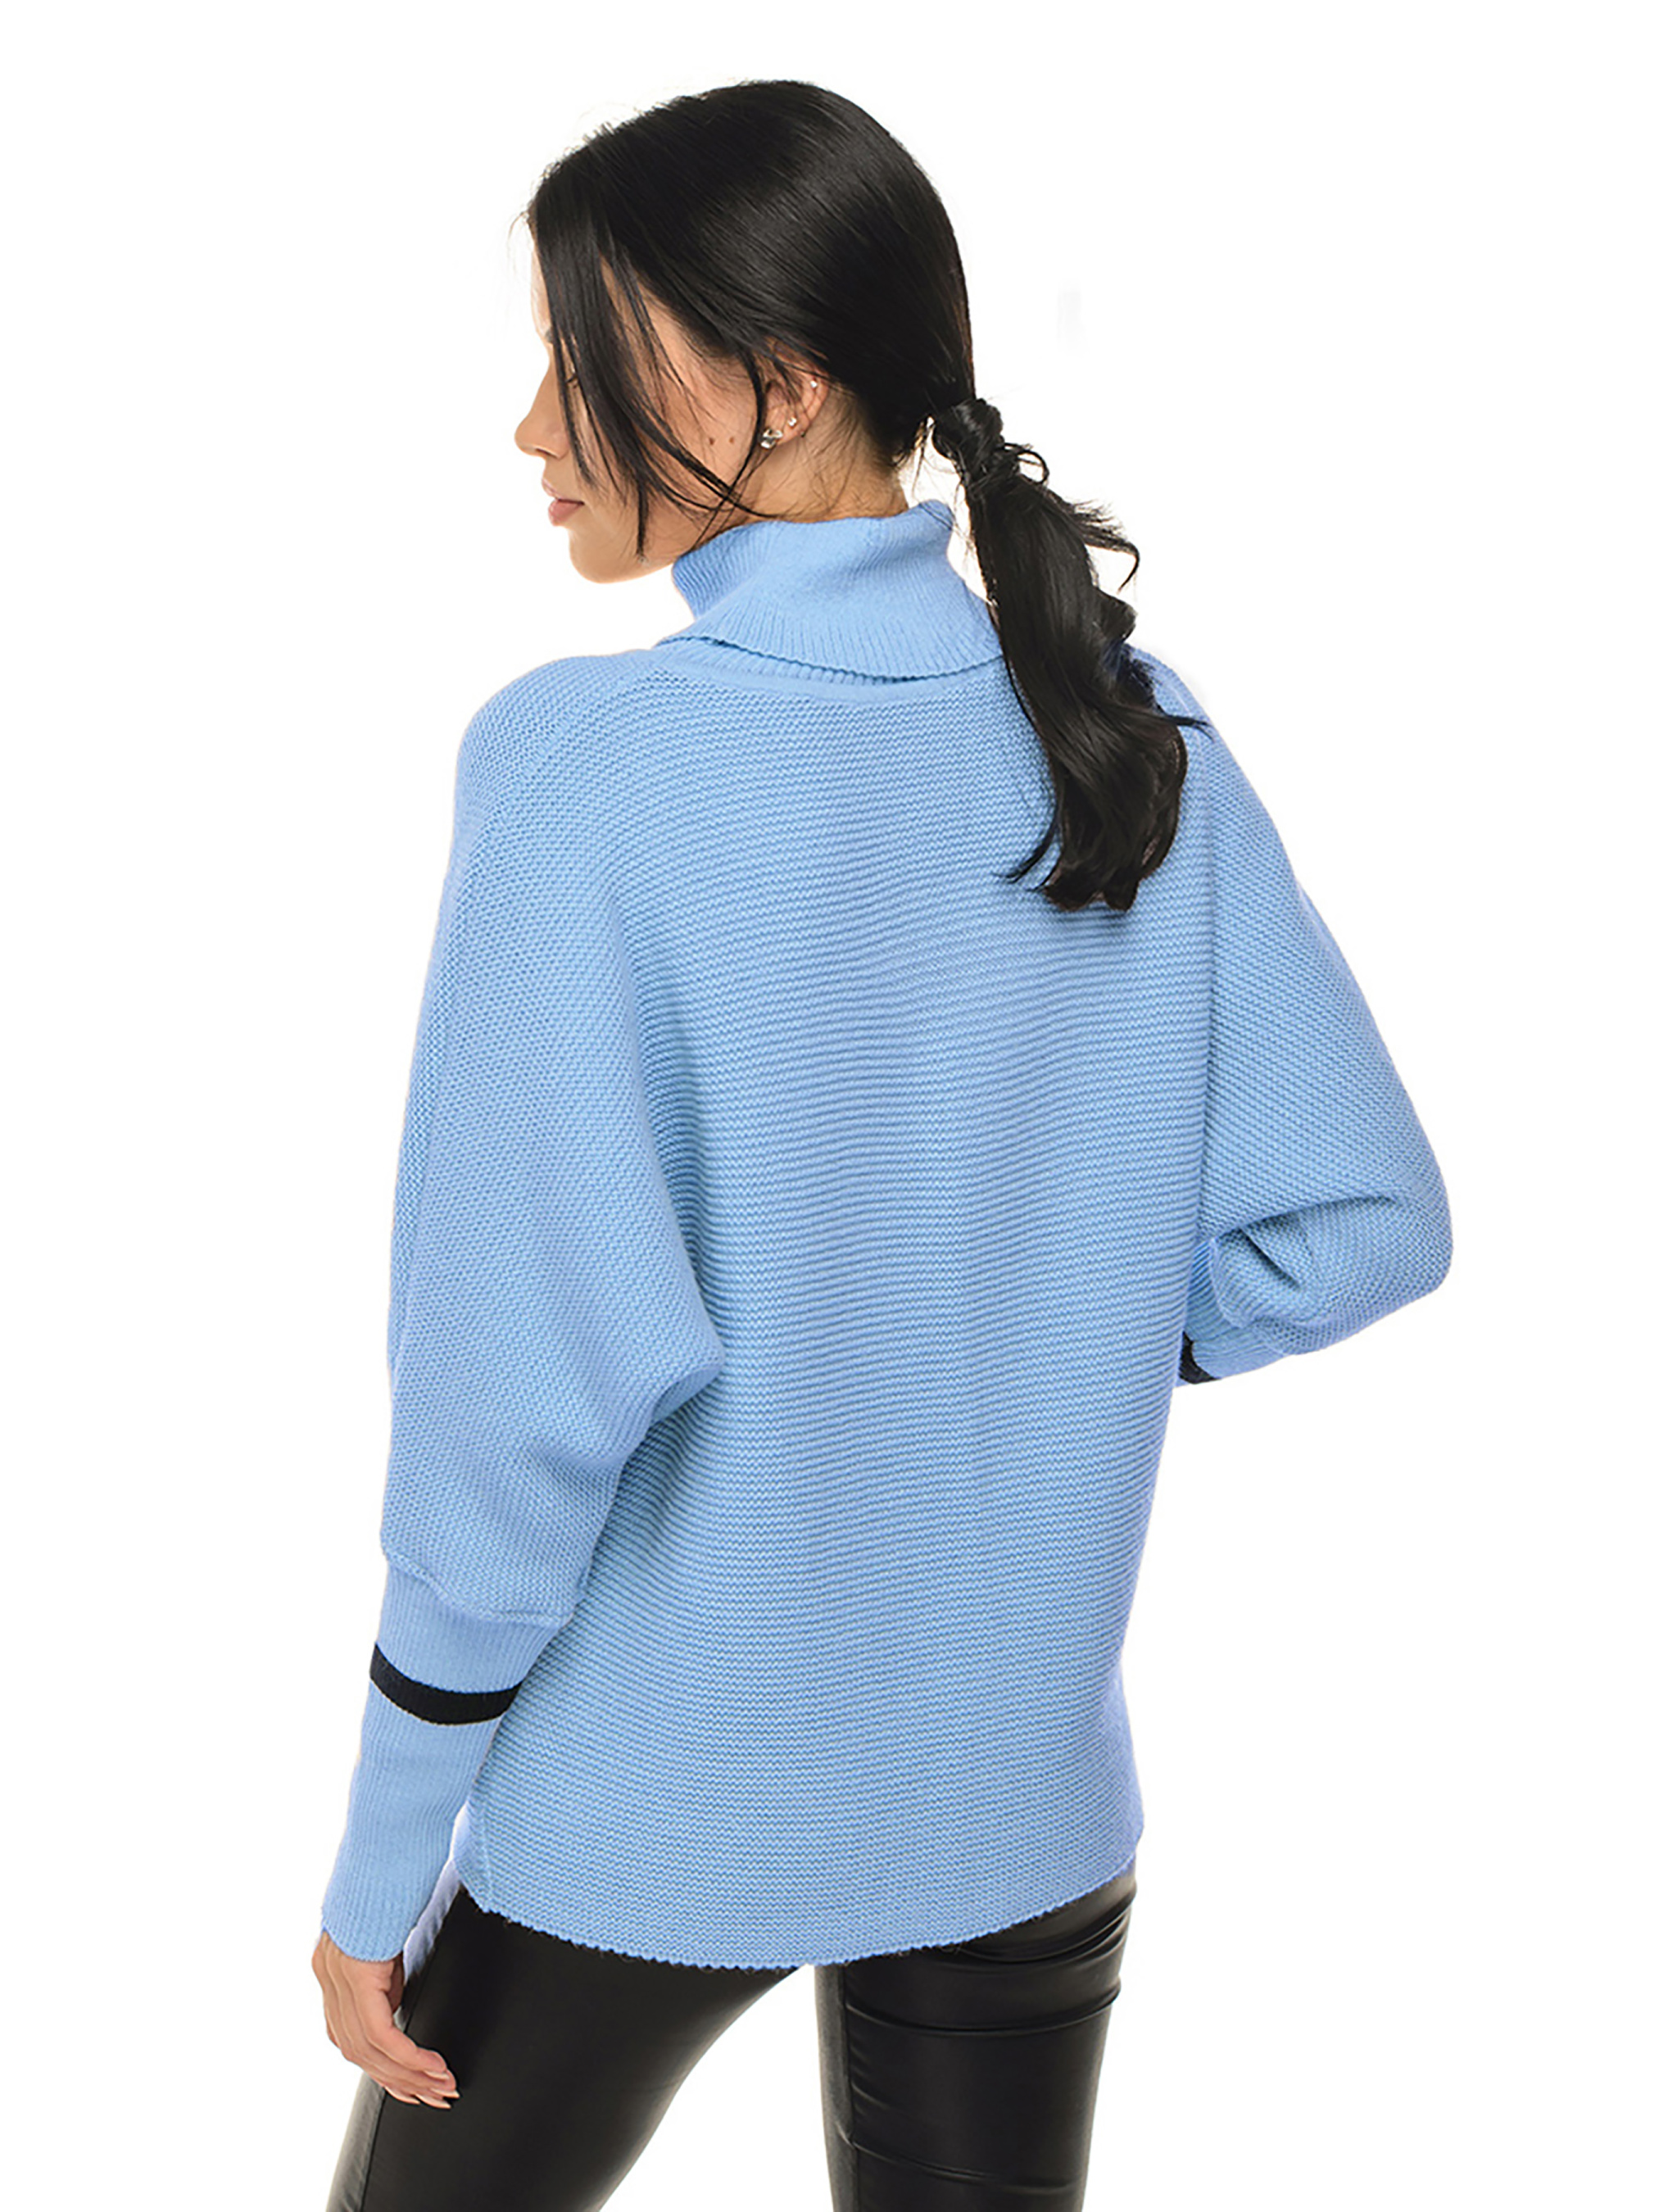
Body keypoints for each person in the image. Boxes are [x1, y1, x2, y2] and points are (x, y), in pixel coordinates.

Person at [311, 77, 1453, 2212]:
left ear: (780, 384)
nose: (533, 425)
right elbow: (1362, 1222)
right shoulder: (1134, 734)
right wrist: (1069, 1327)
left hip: (658, 1804)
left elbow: (514, 1406)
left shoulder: (582, 770)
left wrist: (384, 1858)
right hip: (1019, 1800)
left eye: (579, 355)